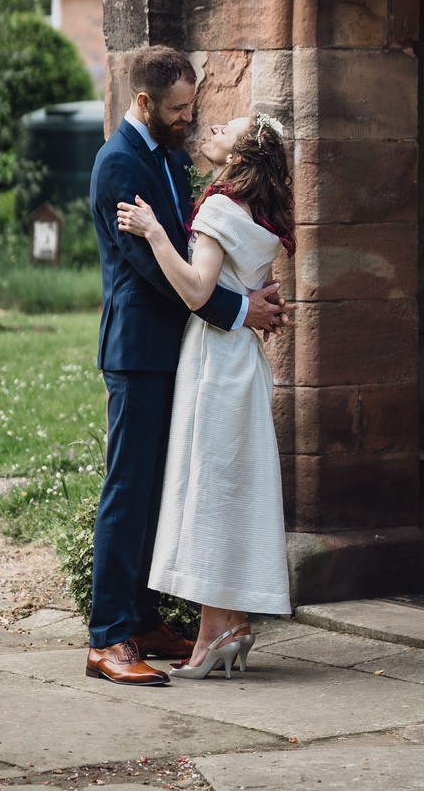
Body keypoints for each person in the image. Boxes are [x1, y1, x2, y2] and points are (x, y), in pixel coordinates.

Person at [85, 45, 286, 687]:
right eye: (179, 108)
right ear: (143, 102)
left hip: (181, 350)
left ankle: (142, 619)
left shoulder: (168, 154)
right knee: (126, 491)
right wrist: (242, 310)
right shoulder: (119, 165)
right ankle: (108, 638)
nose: (190, 118)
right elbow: (155, 270)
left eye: (193, 106)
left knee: (154, 491)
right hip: (139, 352)